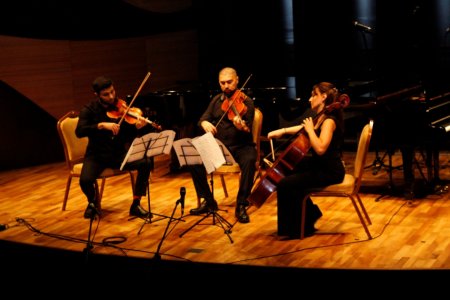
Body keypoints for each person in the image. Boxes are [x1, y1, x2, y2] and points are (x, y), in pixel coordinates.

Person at [267, 82, 345, 238]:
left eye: (313, 95)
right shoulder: (321, 117)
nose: (310, 99)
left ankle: (296, 229)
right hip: (320, 165)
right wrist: (281, 131)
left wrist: (310, 131)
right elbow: (302, 128)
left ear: (323, 97)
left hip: (329, 171)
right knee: (287, 171)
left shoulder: (329, 121)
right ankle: (309, 216)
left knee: (285, 183)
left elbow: (320, 148)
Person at [75, 76, 153, 219]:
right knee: (85, 181)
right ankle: (92, 202)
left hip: (118, 155)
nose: (111, 97)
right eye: (106, 94)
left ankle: (136, 204)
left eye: (112, 92)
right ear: (97, 95)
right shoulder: (89, 110)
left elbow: (127, 136)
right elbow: (79, 131)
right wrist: (101, 125)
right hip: (96, 155)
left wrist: (137, 128)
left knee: (146, 162)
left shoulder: (122, 107)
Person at [188, 67, 256, 223]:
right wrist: (205, 123)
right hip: (220, 147)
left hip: (241, 146)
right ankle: (209, 201)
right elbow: (202, 119)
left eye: (229, 82)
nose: (226, 86)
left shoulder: (247, 102)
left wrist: (241, 126)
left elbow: (248, 129)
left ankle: (241, 204)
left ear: (237, 80)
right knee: (193, 160)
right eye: (222, 83)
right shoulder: (217, 100)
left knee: (250, 160)